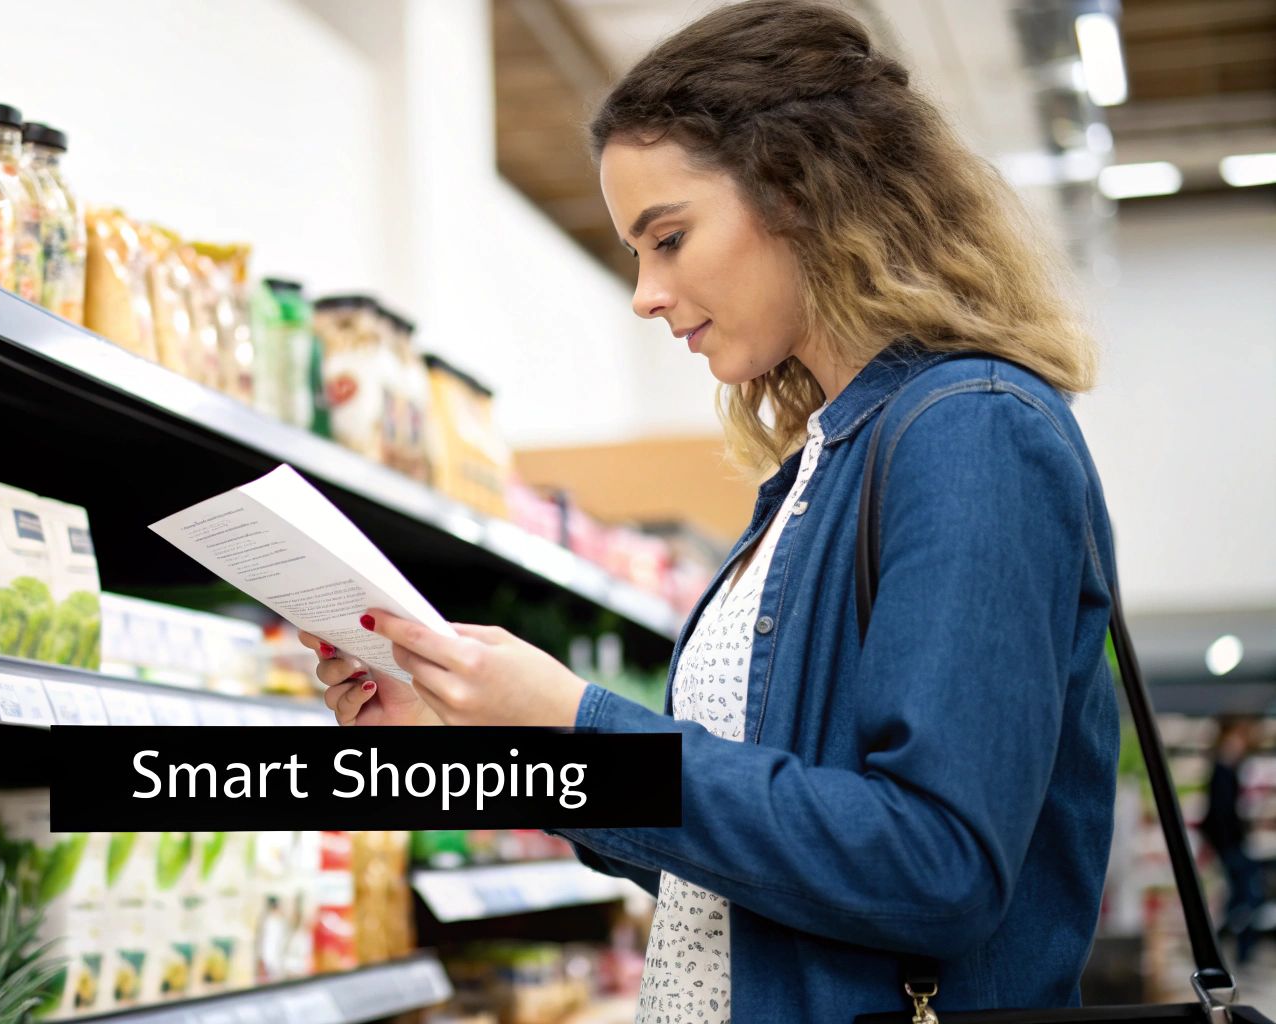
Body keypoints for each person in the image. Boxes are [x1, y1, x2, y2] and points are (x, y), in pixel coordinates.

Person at [300, 1, 1123, 1020]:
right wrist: (501, 743)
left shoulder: (972, 435)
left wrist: (577, 721)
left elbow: (934, 866)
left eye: (669, 237)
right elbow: (735, 884)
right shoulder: (819, 467)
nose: (644, 294)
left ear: (803, 192)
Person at [1203, 716, 1264, 963]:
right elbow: (1220, 814)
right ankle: (1231, 950)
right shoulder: (1223, 771)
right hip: (1231, 846)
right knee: (1247, 897)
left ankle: (1223, 950)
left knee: (1240, 898)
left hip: (1231, 845)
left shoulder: (1228, 770)